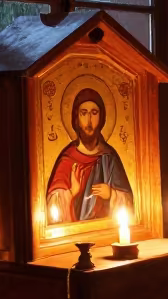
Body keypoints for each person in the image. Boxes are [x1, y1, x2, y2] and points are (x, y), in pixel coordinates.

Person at [47, 88, 133, 223]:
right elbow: (52, 206)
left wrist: (112, 194)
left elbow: (128, 204)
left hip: (106, 231)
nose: (89, 120)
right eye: (83, 113)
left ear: (102, 117)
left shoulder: (109, 157)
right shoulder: (68, 158)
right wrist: (71, 192)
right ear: (76, 118)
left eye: (94, 113)